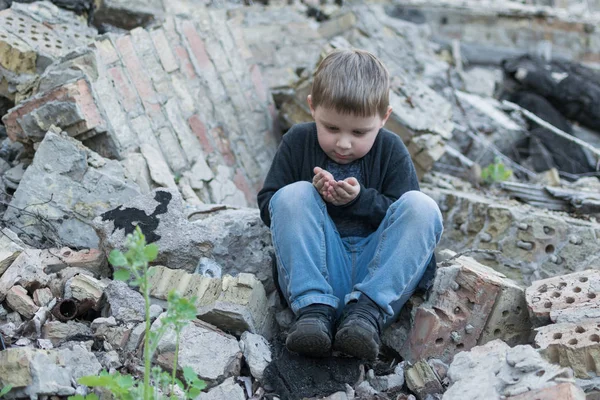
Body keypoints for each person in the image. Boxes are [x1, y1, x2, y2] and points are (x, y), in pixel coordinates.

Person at [257, 48, 443, 360]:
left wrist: (359, 201)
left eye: (359, 132)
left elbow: (406, 222)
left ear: (384, 118)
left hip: (379, 280)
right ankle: (313, 313)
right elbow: (269, 206)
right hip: (319, 273)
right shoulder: (297, 141)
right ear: (312, 108)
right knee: (292, 194)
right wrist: (313, 198)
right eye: (331, 128)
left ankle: (365, 318)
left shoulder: (392, 149)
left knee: (423, 207)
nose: (343, 143)